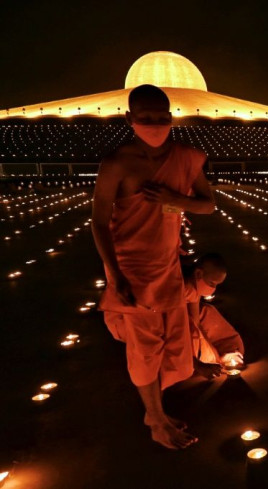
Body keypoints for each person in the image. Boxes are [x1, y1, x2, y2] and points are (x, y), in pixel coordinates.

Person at [92, 84, 215, 449]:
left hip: (168, 266)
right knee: (145, 348)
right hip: (133, 269)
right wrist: (114, 276)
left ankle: (154, 409)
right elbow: (99, 221)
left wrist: (175, 199)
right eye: (146, 119)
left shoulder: (185, 156)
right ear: (130, 119)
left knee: (173, 345)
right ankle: (157, 422)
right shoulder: (118, 163)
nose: (156, 125)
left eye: (163, 118)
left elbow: (207, 204)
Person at [182, 252, 244, 380]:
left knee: (207, 312)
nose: (214, 289)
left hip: (184, 320)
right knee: (189, 330)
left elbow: (196, 322)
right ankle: (194, 361)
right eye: (212, 283)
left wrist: (216, 353)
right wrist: (198, 364)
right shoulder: (179, 288)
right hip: (166, 326)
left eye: (217, 285)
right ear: (198, 274)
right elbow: (173, 332)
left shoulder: (195, 289)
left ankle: (224, 353)